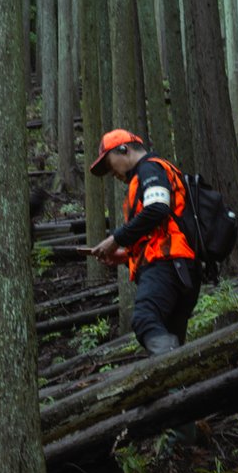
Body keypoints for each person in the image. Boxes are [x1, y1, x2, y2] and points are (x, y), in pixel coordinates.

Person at [85, 129, 201, 356]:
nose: (111, 172)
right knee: (169, 335)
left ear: (124, 150)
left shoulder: (150, 169)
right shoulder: (150, 172)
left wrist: (115, 239)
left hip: (168, 264)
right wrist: (125, 256)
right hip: (180, 267)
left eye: (109, 164)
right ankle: (179, 372)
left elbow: (157, 208)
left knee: (144, 318)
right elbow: (160, 227)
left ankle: (175, 363)